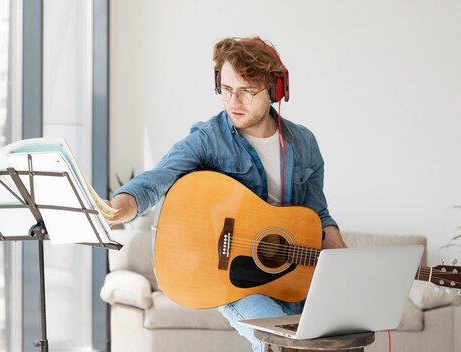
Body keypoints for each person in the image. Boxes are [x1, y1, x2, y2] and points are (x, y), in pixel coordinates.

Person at [106, 36, 347, 352]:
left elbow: (318, 215)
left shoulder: (304, 144)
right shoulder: (209, 139)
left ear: (276, 91)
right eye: (227, 90)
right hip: (237, 284)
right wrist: (122, 206)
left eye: (246, 91)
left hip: (294, 278)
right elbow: (158, 178)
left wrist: (343, 257)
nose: (234, 102)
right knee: (281, 346)